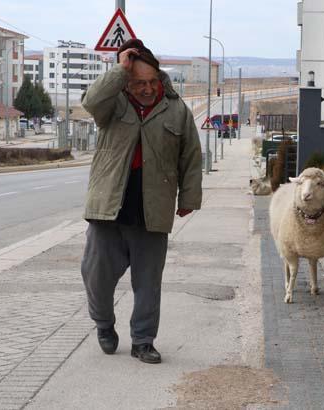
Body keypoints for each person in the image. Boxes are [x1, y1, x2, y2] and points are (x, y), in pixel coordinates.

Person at [80, 39, 203, 364]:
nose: (147, 89)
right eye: (138, 83)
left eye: (152, 82)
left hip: (153, 208)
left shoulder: (176, 110)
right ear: (127, 81)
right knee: (97, 277)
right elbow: (91, 102)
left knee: (148, 284)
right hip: (109, 206)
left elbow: (190, 157)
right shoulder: (113, 103)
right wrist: (119, 71)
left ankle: (143, 341)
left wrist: (189, 197)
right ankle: (104, 324)